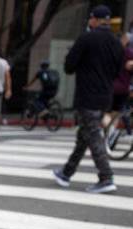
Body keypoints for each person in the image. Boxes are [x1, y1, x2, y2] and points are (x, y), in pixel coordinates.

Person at [53, 5, 124, 194]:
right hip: (105, 96)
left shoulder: (86, 38)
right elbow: (119, 71)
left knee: (92, 135)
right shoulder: (117, 42)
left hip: (88, 95)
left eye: (90, 19)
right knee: (84, 136)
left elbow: (69, 66)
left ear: (94, 20)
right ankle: (66, 173)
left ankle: (106, 177)